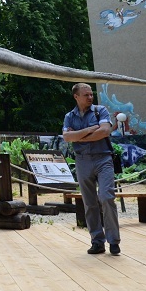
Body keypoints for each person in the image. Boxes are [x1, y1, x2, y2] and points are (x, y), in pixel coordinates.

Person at [62, 83, 121, 255]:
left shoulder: (100, 110)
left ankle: (113, 241)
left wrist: (78, 136)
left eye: (91, 94)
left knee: (106, 196)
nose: (90, 97)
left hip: (103, 158)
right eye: (86, 95)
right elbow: (66, 137)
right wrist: (89, 130)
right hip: (82, 161)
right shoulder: (69, 116)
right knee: (89, 203)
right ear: (76, 97)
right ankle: (97, 241)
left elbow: (104, 131)